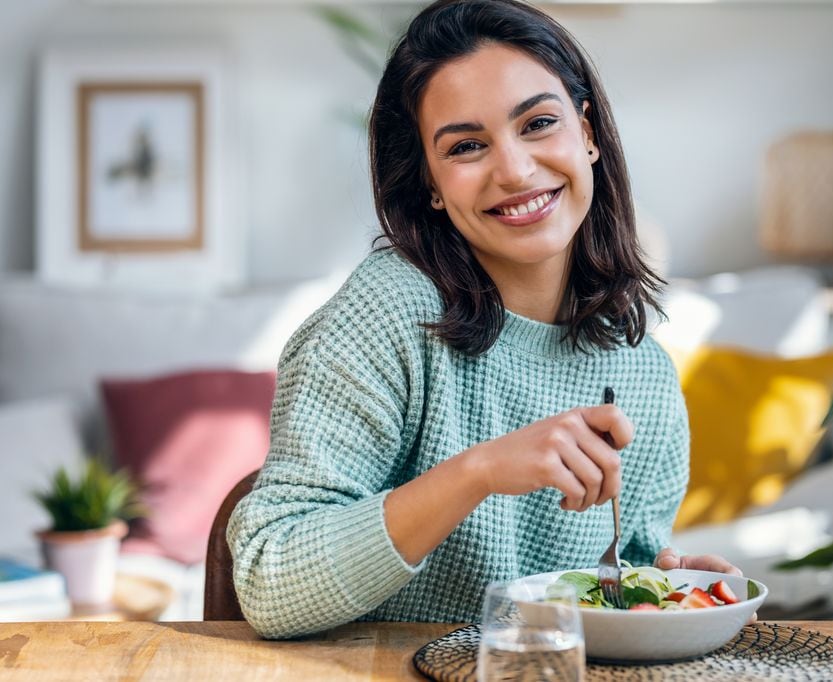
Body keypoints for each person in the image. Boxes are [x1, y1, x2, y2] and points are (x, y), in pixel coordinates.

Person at [228, 0, 740, 640]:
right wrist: (478, 472)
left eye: (539, 124)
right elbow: (269, 583)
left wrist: (661, 588)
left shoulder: (645, 374)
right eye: (467, 146)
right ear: (433, 184)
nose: (515, 170)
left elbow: (613, 578)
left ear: (587, 134)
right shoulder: (387, 316)